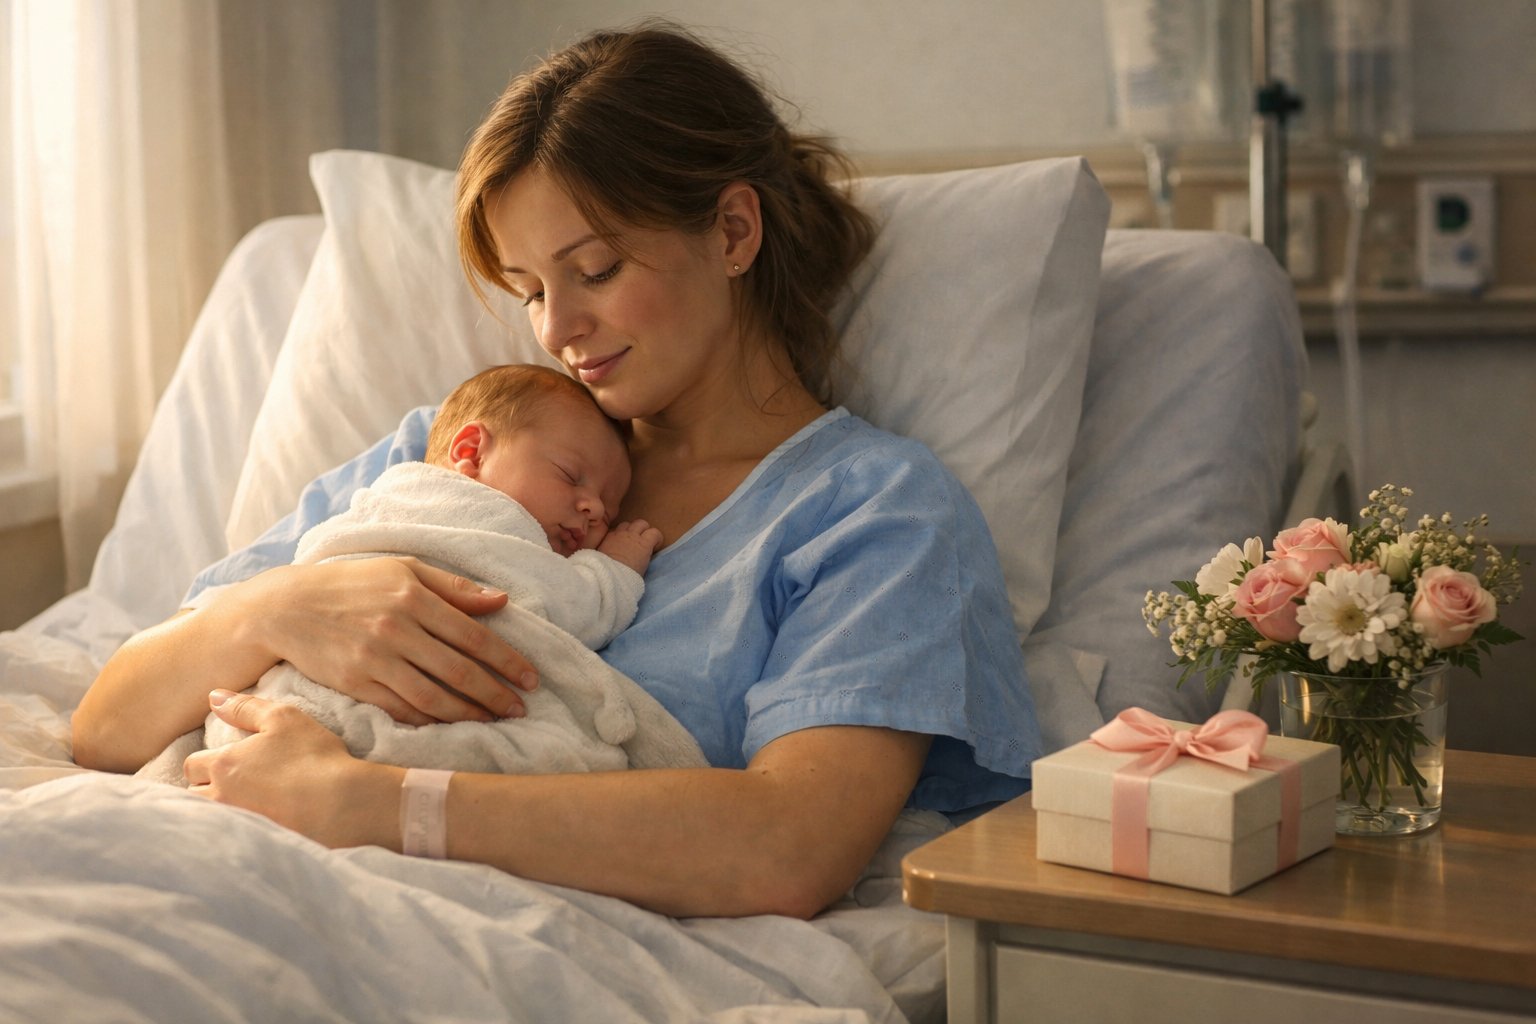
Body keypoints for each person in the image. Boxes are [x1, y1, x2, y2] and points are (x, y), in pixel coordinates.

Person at [73, 21, 1042, 920]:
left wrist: (378, 803)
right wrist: (271, 610)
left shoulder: (874, 512)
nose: (554, 329)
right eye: (531, 287)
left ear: (735, 232)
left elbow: (789, 844)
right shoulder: (465, 447)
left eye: (596, 270)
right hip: (243, 871)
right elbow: (109, 723)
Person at [136, 363, 705, 786]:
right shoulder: (486, 524)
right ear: (469, 451)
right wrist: (614, 567)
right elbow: (576, 607)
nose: (594, 509)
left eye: (609, 505)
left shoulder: (386, 495)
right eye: (571, 476)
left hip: (299, 718)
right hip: (342, 689)